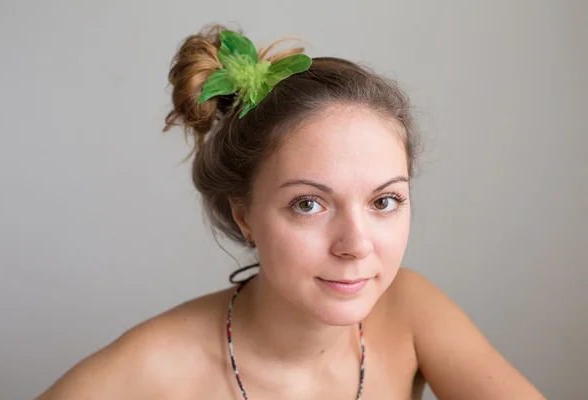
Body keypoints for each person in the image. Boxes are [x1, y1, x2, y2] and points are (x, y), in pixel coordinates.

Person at [36, 24, 546, 399]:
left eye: (384, 201)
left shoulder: (410, 310)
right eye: (308, 204)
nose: (357, 244)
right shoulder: (151, 368)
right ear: (244, 215)